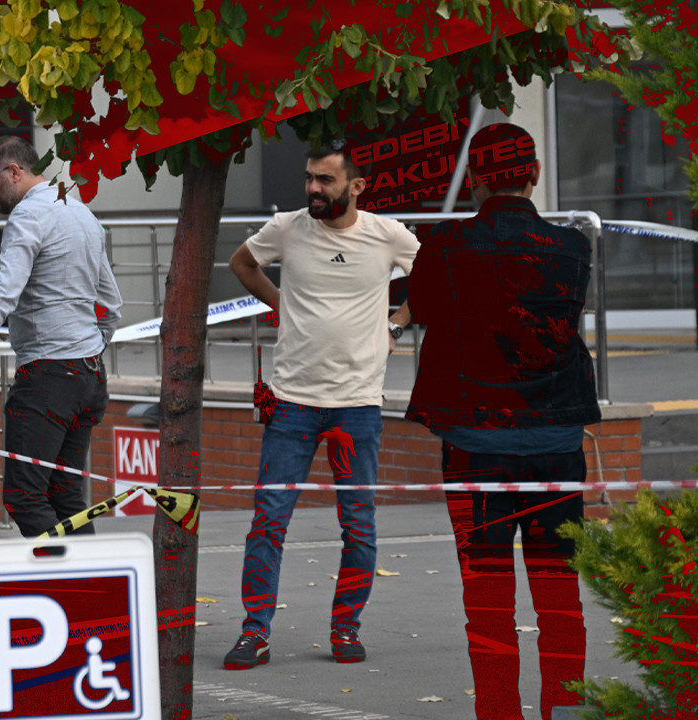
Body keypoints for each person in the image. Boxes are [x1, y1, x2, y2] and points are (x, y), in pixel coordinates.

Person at [405, 122, 601, 720]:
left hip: (474, 444)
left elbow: (424, 312)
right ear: (535, 173)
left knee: (486, 594)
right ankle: (564, 712)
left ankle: (497, 711)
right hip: (557, 440)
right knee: (559, 588)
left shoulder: (443, 246)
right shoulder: (572, 247)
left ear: (474, 179)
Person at [224, 139, 418, 669]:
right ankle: (255, 632)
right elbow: (242, 263)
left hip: (357, 406)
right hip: (292, 403)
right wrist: (280, 303)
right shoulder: (288, 227)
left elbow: (431, 278)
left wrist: (396, 324)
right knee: (268, 521)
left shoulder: (387, 236)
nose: (312, 188)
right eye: (310, 178)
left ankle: (346, 628)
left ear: (357, 186)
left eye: (325, 180)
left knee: (359, 525)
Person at [0, 135, 122, 537]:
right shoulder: (81, 213)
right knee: (66, 496)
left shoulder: (27, 217)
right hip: (89, 375)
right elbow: (113, 303)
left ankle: (66, 589)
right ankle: (89, 592)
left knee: (25, 497)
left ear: (15, 171)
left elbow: (1, 293)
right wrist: (90, 346)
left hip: (47, 378)